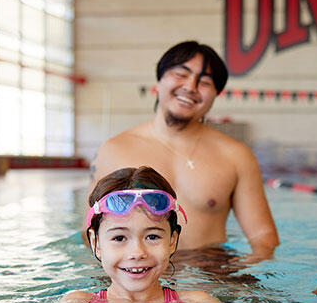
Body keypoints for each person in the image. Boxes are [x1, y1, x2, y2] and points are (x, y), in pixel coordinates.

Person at [27, 167, 288, 303]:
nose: (137, 253)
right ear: (96, 243)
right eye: (119, 238)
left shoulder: (195, 301)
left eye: (152, 236)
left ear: (172, 241)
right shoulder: (78, 302)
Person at [89, 41, 279, 261]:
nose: (190, 87)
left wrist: (239, 274)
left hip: (209, 274)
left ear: (216, 94)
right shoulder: (113, 150)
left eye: (205, 82)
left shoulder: (236, 156)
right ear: (159, 79)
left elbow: (263, 237)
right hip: (134, 272)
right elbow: (90, 233)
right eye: (181, 74)